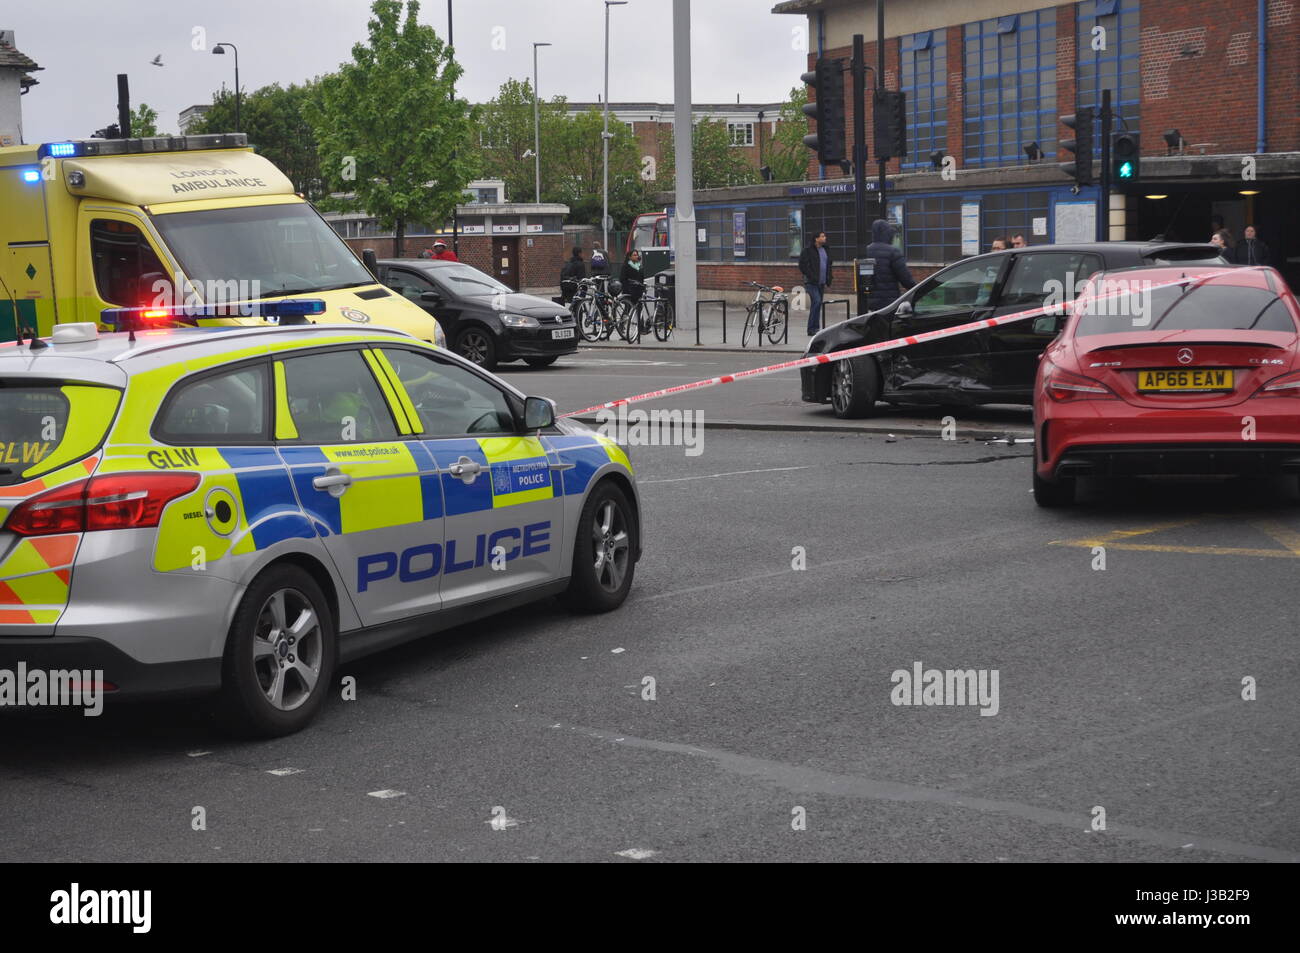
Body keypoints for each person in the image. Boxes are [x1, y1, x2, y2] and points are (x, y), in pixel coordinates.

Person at [863, 218, 916, 313]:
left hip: (870, 304)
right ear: (887, 234)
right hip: (889, 304)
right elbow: (906, 279)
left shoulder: (865, 251)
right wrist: (919, 290)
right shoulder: (893, 252)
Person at [798, 231, 833, 334]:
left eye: (824, 236)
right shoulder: (807, 250)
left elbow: (828, 265)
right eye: (822, 236)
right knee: (817, 301)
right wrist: (811, 276)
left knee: (817, 304)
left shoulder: (825, 249)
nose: (825, 238)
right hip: (811, 282)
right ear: (816, 239)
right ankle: (812, 328)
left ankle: (815, 328)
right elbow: (802, 265)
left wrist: (829, 277)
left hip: (821, 282)